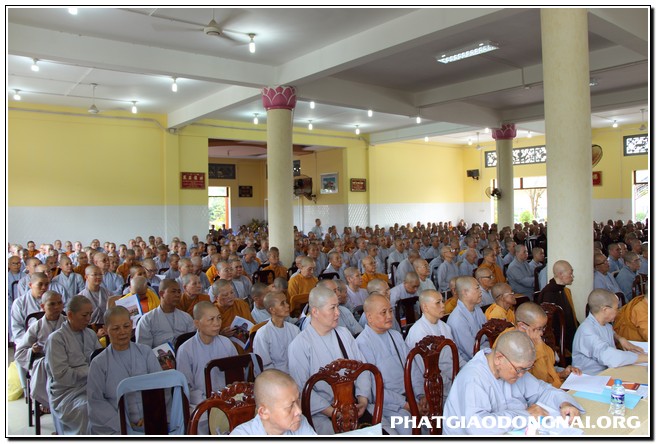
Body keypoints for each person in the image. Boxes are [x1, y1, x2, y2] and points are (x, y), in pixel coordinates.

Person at [443, 330, 584, 435]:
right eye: (519, 369)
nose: (522, 375)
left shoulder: (513, 367)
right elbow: (477, 426)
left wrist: (564, 403)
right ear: (499, 358)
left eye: (526, 369)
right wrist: (525, 415)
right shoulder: (473, 378)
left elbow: (543, 390)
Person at [288, 286, 371, 435]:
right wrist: (334, 412)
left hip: (354, 405)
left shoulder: (344, 334)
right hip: (322, 414)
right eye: (332, 308)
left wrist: (362, 400)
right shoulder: (299, 345)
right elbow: (302, 389)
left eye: (338, 306)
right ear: (315, 311)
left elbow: (362, 369)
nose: (338, 313)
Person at [356, 294, 426, 435]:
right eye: (383, 312)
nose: (389, 316)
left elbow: (412, 368)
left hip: (410, 397)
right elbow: (374, 388)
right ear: (369, 317)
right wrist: (406, 404)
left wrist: (421, 395)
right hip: (387, 406)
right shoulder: (362, 343)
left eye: (390, 311)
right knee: (409, 429)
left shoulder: (395, 335)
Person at [87, 306, 162, 434]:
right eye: (116, 328)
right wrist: (123, 424)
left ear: (131, 324)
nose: (122, 332)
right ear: (105, 329)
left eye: (126, 326)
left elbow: (161, 387)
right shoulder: (99, 363)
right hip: (114, 425)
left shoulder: (145, 353)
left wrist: (151, 415)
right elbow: (96, 402)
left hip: (148, 419)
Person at [45, 295, 102, 435]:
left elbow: (101, 361)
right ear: (70, 315)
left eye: (90, 314)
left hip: (92, 385)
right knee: (86, 408)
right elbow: (61, 375)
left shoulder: (90, 334)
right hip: (67, 392)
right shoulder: (56, 339)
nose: (89, 319)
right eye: (84, 315)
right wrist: (89, 371)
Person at [497, 302, 581, 389]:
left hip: (547, 386)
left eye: (543, 328)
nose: (541, 333)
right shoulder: (511, 344)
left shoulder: (530, 337)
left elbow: (550, 365)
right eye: (538, 329)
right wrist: (538, 345)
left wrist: (562, 374)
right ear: (522, 326)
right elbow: (539, 380)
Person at [176, 301, 238, 409]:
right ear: (197, 323)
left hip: (227, 400)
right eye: (211, 319)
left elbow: (237, 373)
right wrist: (208, 401)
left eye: (219, 318)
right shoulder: (185, 350)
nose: (217, 323)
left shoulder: (226, 343)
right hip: (201, 403)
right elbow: (186, 386)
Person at [405, 289, 466, 395]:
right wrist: (455, 385)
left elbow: (456, 355)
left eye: (442, 301)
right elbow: (426, 370)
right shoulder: (418, 332)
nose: (443, 305)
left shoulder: (445, 326)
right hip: (437, 386)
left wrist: (466, 369)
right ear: (425, 307)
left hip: (455, 376)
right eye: (438, 303)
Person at [572, 289, 647, 374]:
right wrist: (646, 358)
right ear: (605, 310)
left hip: (608, 371)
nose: (618, 312)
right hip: (591, 376)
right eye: (616, 308)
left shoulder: (605, 324)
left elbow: (610, 333)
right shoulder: (587, 331)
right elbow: (611, 357)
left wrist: (620, 339)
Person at [14, 291, 66, 410]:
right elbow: (20, 352)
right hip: (44, 362)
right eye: (52, 304)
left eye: (59, 303)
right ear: (42, 306)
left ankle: (66, 401)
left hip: (65, 360)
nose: (57, 307)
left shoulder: (68, 323)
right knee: (45, 365)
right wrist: (32, 351)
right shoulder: (36, 326)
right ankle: (47, 402)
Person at [231, 369, 317, 435]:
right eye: (290, 406)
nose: (299, 411)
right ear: (263, 412)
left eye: (298, 400)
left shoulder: (300, 421)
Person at [135, 278, 194, 348]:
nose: (177, 295)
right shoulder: (147, 320)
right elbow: (143, 349)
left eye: (179, 292)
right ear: (161, 294)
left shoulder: (186, 317)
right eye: (173, 291)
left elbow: (192, 344)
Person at [535, 260, 579, 354]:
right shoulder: (549, 293)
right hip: (558, 340)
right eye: (570, 274)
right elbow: (549, 324)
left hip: (569, 334)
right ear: (560, 274)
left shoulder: (564, 290)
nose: (573, 276)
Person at [253, 292, 300, 373]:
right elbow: (264, 365)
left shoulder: (295, 329)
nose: (287, 305)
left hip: (296, 373)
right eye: (282, 303)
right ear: (272, 310)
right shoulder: (263, 334)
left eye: (286, 302)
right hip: (274, 376)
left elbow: (301, 356)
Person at [446, 276, 487, 361]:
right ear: (465, 292)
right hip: (470, 361)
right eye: (477, 288)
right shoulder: (457, 320)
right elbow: (472, 351)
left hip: (485, 350)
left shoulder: (477, 309)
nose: (480, 291)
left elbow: (487, 334)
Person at [11, 272, 50, 344]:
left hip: (49, 340)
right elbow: (17, 329)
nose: (44, 287)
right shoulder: (19, 303)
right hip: (27, 341)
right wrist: (29, 344)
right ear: (30, 285)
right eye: (40, 284)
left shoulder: (52, 301)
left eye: (46, 284)